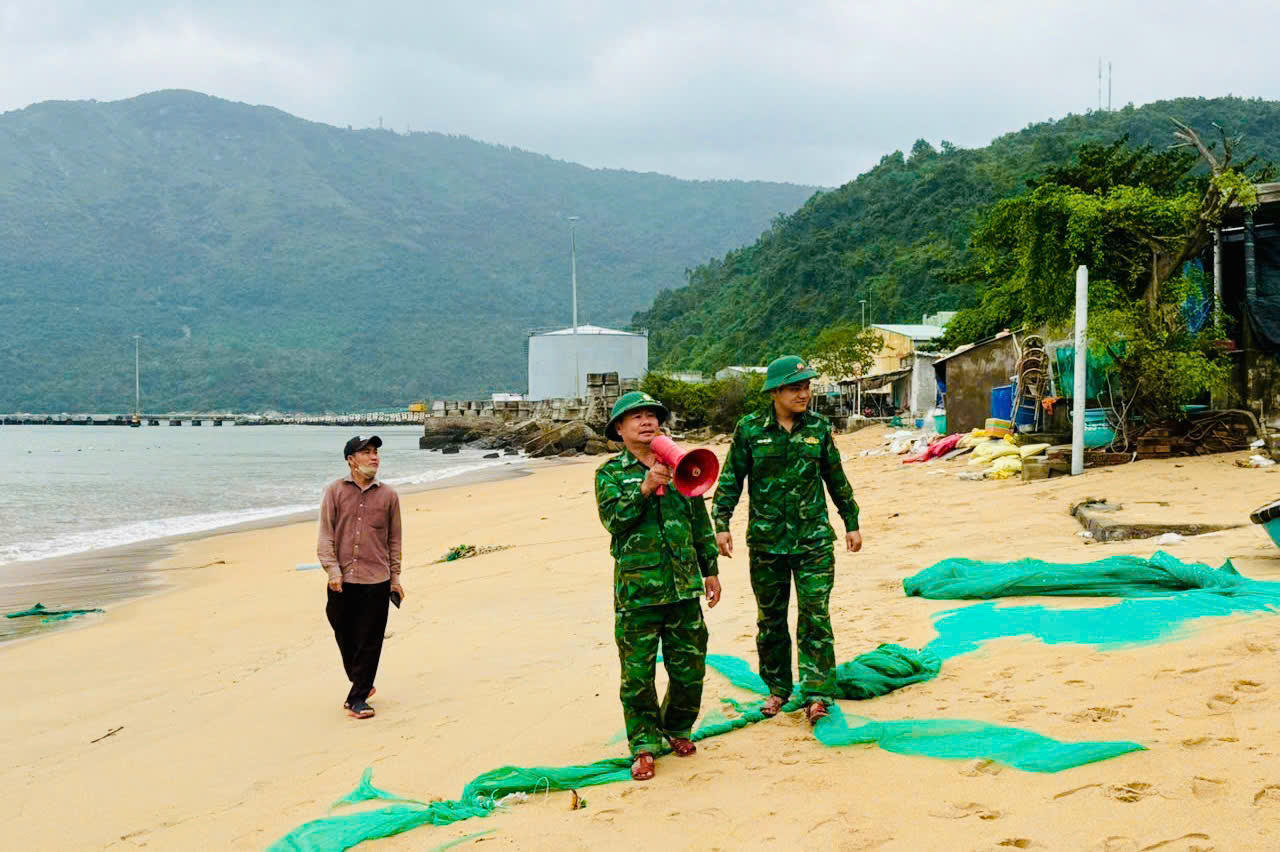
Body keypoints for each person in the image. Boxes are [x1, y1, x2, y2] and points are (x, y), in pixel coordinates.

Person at [712, 356, 861, 725]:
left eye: (807, 386)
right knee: (771, 621)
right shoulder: (749, 430)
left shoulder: (819, 429)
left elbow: (835, 478)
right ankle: (778, 689)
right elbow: (731, 479)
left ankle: (817, 693)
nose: (804, 393)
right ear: (776, 391)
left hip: (813, 542)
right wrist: (721, 522)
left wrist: (851, 521)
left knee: (815, 616)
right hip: (766, 544)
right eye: (796, 387)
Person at [595, 391, 722, 781]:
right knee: (637, 675)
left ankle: (677, 728)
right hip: (638, 593)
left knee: (690, 667)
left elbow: (699, 521)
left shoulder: (680, 465)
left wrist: (710, 569)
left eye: (652, 416)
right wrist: (646, 487)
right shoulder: (610, 474)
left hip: (684, 587)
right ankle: (644, 745)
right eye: (636, 417)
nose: (647, 422)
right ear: (620, 428)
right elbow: (614, 520)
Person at [317, 435, 405, 719]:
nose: (374, 457)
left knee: (370, 640)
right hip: (341, 580)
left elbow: (395, 540)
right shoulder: (334, 491)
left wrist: (395, 579)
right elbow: (325, 537)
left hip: (376, 580)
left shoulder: (389, 496)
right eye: (366, 452)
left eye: (376, 452)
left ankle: (357, 698)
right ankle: (362, 682)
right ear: (351, 460)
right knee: (343, 631)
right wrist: (332, 570)